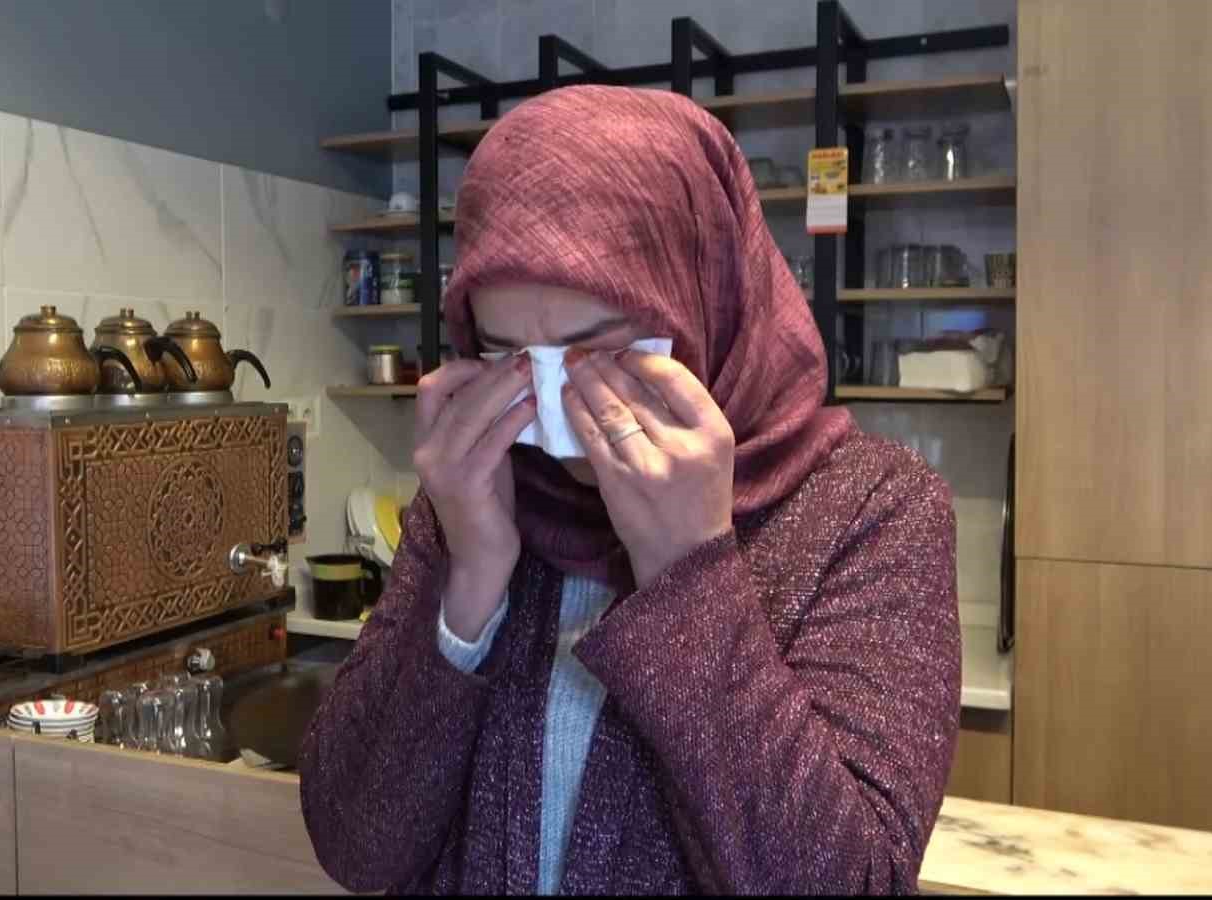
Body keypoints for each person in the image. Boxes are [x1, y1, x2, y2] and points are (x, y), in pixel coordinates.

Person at [299, 84, 960, 895]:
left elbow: (852, 884)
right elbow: (355, 845)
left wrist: (690, 574)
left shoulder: (874, 511)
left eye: (599, 353)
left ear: (709, 302)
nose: (553, 419)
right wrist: (466, 583)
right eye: (507, 355)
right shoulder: (477, 491)